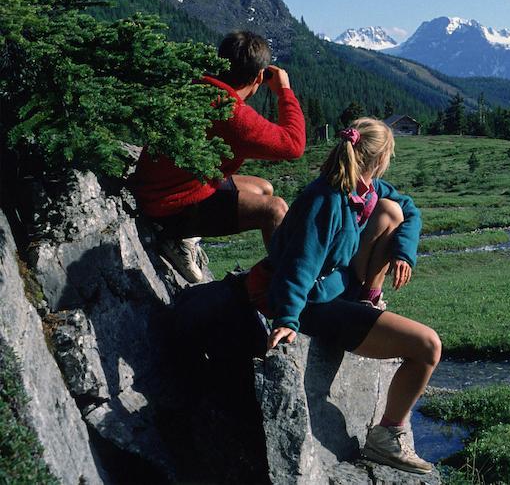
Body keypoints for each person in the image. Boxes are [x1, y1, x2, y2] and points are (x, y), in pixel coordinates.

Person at [249, 117, 439, 475]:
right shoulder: (326, 199)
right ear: (380, 158)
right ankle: (386, 439)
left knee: (393, 211)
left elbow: (408, 210)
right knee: (427, 346)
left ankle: (368, 299)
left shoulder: (366, 190)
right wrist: (288, 320)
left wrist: (403, 252)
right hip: (314, 304)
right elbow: (299, 265)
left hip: (338, 290)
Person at [132, 31, 306, 283]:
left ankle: (186, 237)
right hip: (169, 207)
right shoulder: (233, 114)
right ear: (259, 76)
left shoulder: (199, 87)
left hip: (166, 187)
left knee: (263, 188)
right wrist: (284, 92)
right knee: (275, 210)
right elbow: (293, 145)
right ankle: (286, 289)